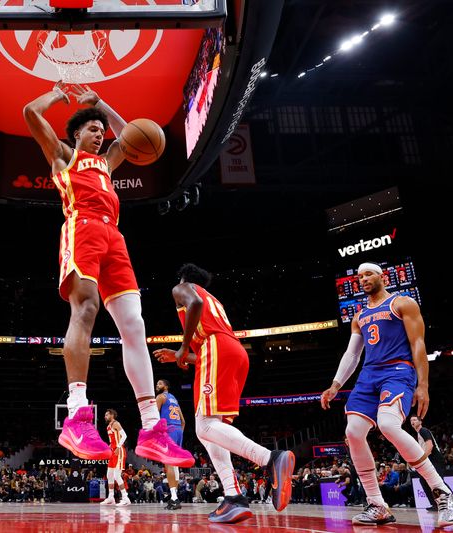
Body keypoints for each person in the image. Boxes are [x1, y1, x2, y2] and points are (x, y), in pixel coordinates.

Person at [23, 83, 192, 468]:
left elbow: (131, 137)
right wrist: (54, 95)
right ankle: (78, 415)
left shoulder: (107, 164)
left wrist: (102, 105)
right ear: (77, 134)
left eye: (102, 129)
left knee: (134, 324)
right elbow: (31, 115)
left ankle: (152, 428)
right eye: (92, 129)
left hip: (114, 236)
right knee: (86, 309)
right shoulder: (64, 156)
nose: (100, 133)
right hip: (81, 228)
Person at [320, 262, 453, 527]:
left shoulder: (403, 303)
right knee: (353, 432)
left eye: (368, 274)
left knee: (388, 424)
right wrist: (336, 384)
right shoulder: (360, 315)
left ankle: (444, 493)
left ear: (382, 276)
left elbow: (418, 343)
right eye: (359, 276)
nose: (362, 279)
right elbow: (352, 354)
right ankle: (377, 505)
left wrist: (423, 385)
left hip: (398, 370)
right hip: (368, 375)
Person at [153, 264, 295, 524]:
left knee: (204, 427)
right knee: (211, 433)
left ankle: (271, 459)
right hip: (229, 352)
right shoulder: (212, 299)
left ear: (184, 278)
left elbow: (193, 304)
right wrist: (180, 355)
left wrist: (182, 347)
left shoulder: (184, 288)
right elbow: (207, 343)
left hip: (217, 349)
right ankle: (234, 497)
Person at [156, 379, 185, 510]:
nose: (157, 385)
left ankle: (174, 498)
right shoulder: (174, 399)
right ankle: (175, 496)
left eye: (160, 384)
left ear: (166, 386)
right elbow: (183, 421)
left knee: (168, 464)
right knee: (175, 465)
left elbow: (155, 418)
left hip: (169, 430)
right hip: (178, 430)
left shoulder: (160, 397)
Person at [410, 415, 448, 511]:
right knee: (424, 481)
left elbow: (429, 446)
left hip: (435, 458)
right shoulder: (419, 434)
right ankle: (435, 504)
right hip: (431, 459)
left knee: (438, 482)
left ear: (420, 421)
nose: (412, 421)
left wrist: (422, 460)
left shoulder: (423, 430)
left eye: (414, 420)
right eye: (411, 420)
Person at [99, 409, 130, 506]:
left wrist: (118, 446)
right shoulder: (108, 426)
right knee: (109, 475)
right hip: (113, 451)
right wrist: (109, 447)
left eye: (107, 415)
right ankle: (111, 497)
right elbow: (113, 440)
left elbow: (124, 435)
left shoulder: (116, 423)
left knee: (117, 475)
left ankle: (125, 498)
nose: (105, 416)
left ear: (112, 415)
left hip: (119, 451)